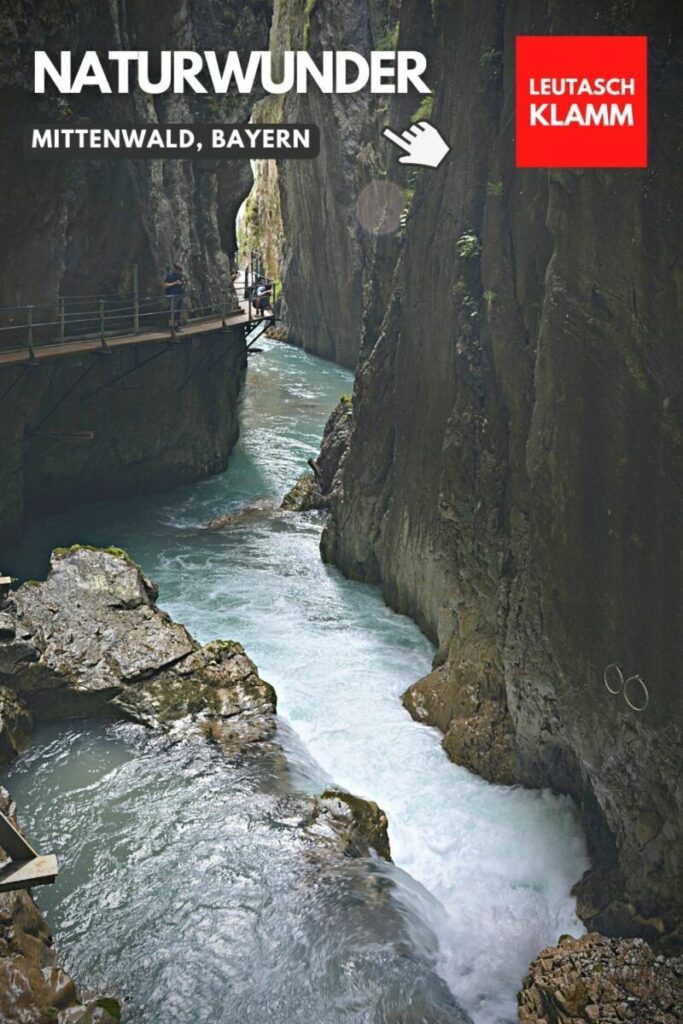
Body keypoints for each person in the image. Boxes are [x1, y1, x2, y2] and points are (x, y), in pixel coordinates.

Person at [164, 262, 185, 332]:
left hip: (179, 295)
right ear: (175, 269)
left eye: (180, 270)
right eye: (178, 269)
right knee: (172, 311)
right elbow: (165, 285)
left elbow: (182, 283)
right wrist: (175, 283)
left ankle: (176, 326)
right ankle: (171, 326)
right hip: (172, 296)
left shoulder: (179, 276)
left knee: (178, 311)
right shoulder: (170, 276)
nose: (179, 271)